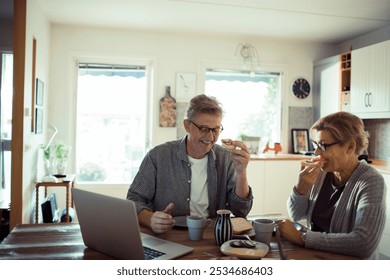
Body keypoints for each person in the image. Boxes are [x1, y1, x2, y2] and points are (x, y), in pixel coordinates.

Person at [127, 94, 253, 234]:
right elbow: (134, 199)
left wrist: (242, 172)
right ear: (187, 126)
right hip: (168, 234)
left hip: (212, 235)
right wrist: (151, 219)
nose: (211, 137)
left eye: (215, 129)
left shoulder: (226, 159)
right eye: (204, 129)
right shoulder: (158, 156)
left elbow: (241, 211)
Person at [277, 111, 385, 259]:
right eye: (315, 144)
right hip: (316, 257)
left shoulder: (371, 181)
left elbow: (364, 243)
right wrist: (301, 187)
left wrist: (302, 238)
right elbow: (296, 214)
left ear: (349, 147)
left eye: (323, 145)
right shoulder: (322, 172)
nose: (316, 152)